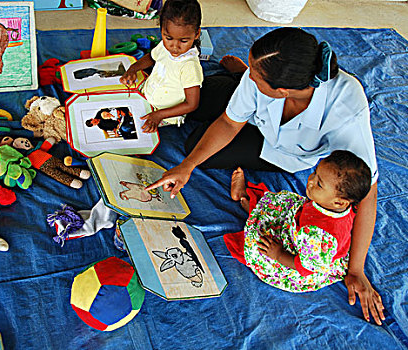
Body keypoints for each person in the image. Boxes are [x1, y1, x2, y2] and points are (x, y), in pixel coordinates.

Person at [146, 28, 385, 324]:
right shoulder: (264, 80)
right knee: (195, 97)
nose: (253, 80)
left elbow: (367, 191)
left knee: (195, 141)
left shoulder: (346, 106)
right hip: (256, 117)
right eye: (252, 71)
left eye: (256, 77)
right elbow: (228, 123)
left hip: (283, 151)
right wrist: (187, 167)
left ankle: (233, 78)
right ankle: (235, 74)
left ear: (283, 90)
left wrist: (356, 270)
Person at [225, 150, 371, 294]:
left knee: (260, 243)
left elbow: (306, 267)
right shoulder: (340, 205)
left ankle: (250, 206)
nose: (310, 180)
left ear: (339, 203)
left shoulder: (318, 235)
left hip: (299, 258)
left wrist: (278, 254)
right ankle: (250, 202)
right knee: (278, 204)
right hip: (299, 227)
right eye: (315, 173)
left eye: (319, 184)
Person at [119, 0, 203, 133]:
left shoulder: (189, 66)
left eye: (184, 41)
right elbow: (152, 57)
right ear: (162, 30)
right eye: (168, 37)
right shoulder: (165, 46)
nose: (174, 47)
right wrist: (133, 69)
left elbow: (192, 104)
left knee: (132, 128)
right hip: (147, 91)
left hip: (165, 113)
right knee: (116, 92)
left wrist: (159, 115)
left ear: (196, 34)